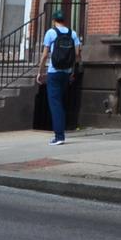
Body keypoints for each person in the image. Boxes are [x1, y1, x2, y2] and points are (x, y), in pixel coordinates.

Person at [35, 9, 80, 145]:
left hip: (54, 72)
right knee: (60, 102)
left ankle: (59, 136)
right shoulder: (73, 33)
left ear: (54, 21)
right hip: (66, 73)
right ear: (64, 21)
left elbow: (45, 55)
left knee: (55, 104)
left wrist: (40, 71)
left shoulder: (51, 33)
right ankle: (60, 132)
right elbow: (77, 54)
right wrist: (72, 71)